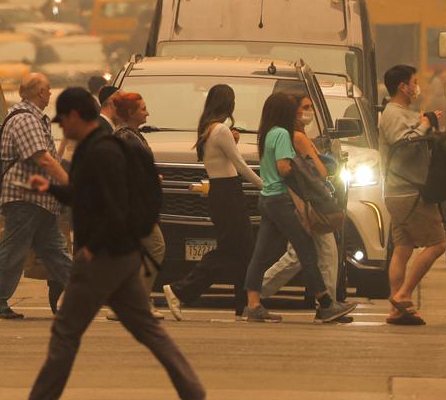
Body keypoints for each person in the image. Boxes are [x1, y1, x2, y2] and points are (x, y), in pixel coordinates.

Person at [0, 88, 216, 400]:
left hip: (104, 256)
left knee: (66, 331)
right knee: (148, 330)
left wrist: (92, 247)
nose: (61, 127)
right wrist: (49, 189)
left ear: (73, 117)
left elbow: (114, 206)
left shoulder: (99, 152)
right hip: (122, 255)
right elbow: (85, 196)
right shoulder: (99, 147)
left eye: (62, 119)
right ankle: (196, 399)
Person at [240, 91, 339, 323]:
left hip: (266, 198)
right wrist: (303, 170)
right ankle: (325, 303)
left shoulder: (266, 134)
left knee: (260, 255)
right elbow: (284, 167)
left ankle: (253, 304)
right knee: (306, 250)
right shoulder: (283, 134)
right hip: (281, 199)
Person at [256, 98, 357, 323]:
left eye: (310, 107)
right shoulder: (295, 137)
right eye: (304, 108)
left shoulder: (288, 135)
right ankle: (257, 291)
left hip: (296, 200)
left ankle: (326, 304)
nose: (308, 112)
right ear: (291, 112)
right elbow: (317, 171)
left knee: (304, 253)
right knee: (312, 252)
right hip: (305, 201)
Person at [163, 85, 258, 318]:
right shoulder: (222, 131)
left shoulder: (207, 129)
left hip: (220, 191)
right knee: (230, 250)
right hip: (229, 192)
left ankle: (243, 305)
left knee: (244, 251)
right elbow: (240, 165)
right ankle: (178, 290)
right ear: (229, 103)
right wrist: (266, 186)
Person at [0, 73, 71, 320]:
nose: (51, 94)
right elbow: (42, 158)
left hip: (37, 199)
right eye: (49, 89)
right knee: (13, 250)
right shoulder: (26, 120)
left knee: (55, 250)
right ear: (40, 92)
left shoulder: (32, 118)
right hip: (25, 198)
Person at [379, 64, 446, 326]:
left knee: (403, 249)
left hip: (399, 190)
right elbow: (402, 143)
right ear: (402, 87)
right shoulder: (394, 113)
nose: (417, 87)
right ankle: (404, 294)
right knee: (438, 243)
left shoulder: (401, 112)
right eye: (414, 82)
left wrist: (424, 121)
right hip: (408, 191)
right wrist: (425, 125)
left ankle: (397, 309)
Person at [109, 92, 166, 317]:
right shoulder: (126, 137)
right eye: (143, 109)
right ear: (131, 113)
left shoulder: (130, 136)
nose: (147, 113)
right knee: (156, 247)